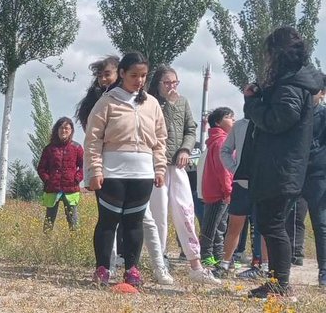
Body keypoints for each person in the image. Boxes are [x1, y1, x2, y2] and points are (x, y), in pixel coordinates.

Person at [238, 26, 324, 297]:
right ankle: (277, 283)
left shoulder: (291, 85)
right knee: (271, 224)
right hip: (282, 165)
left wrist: (252, 103)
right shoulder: (295, 82)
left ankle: (280, 284)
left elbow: (278, 120)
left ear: (278, 53)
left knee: (273, 225)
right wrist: (262, 95)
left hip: (280, 166)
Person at [84, 51, 167, 288]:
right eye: (134, 75)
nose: (139, 81)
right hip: (112, 172)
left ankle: (132, 269)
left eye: (143, 76)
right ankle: (102, 269)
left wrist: (159, 168)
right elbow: (93, 139)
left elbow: (160, 139)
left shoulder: (151, 103)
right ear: (122, 73)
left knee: (134, 222)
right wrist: (95, 170)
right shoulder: (107, 102)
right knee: (108, 221)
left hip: (143, 173)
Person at [146, 66, 219, 286]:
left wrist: (186, 149)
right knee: (158, 215)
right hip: (156, 165)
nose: (172, 87)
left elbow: (190, 129)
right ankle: (159, 262)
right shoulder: (150, 102)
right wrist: (168, 104)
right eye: (167, 83)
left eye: (175, 82)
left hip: (178, 166)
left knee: (185, 211)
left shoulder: (183, 102)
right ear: (158, 84)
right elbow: (157, 129)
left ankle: (196, 265)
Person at [218, 114, 267, 278]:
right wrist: (234, 168)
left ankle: (265, 266)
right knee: (234, 226)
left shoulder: (270, 121)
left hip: (264, 183)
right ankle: (225, 264)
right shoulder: (239, 125)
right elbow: (225, 150)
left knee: (265, 227)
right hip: (242, 182)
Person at [199, 107, 234, 267]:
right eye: (229, 117)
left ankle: (219, 255)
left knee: (221, 226)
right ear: (218, 122)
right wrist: (228, 190)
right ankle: (206, 255)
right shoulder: (221, 142)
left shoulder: (221, 140)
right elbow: (223, 169)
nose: (233, 120)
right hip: (218, 192)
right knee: (211, 226)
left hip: (220, 191)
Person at [37, 117, 83, 230]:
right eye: (61, 128)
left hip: (71, 189)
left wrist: (77, 178)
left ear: (71, 130)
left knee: (73, 220)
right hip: (52, 189)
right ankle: (46, 239)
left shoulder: (77, 148)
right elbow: (41, 168)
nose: (64, 131)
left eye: (67, 128)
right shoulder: (49, 149)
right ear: (57, 130)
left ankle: (74, 240)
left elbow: (83, 167)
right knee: (49, 220)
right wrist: (48, 180)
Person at [302, 85, 326, 286]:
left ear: (322, 93)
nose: (309, 94)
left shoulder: (324, 115)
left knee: (320, 223)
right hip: (292, 172)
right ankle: (273, 269)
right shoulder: (294, 112)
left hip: (318, 174)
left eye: (314, 90)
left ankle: (324, 271)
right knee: (278, 220)